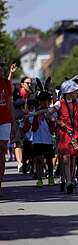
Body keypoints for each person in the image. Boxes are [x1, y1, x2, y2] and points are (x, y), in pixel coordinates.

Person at [31, 91, 56, 187]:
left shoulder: (51, 111)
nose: (44, 103)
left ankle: (50, 177)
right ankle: (39, 178)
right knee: (38, 160)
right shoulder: (36, 112)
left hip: (47, 139)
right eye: (42, 101)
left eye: (46, 101)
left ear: (49, 101)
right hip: (37, 139)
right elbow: (32, 125)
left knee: (49, 160)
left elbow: (53, 124)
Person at [0, 61, 16, 192]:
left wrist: (14, 123)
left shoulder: (5, 83)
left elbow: (10, 105)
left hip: (5, 122)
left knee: (1, 154)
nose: (0, 69)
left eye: (1, 67)